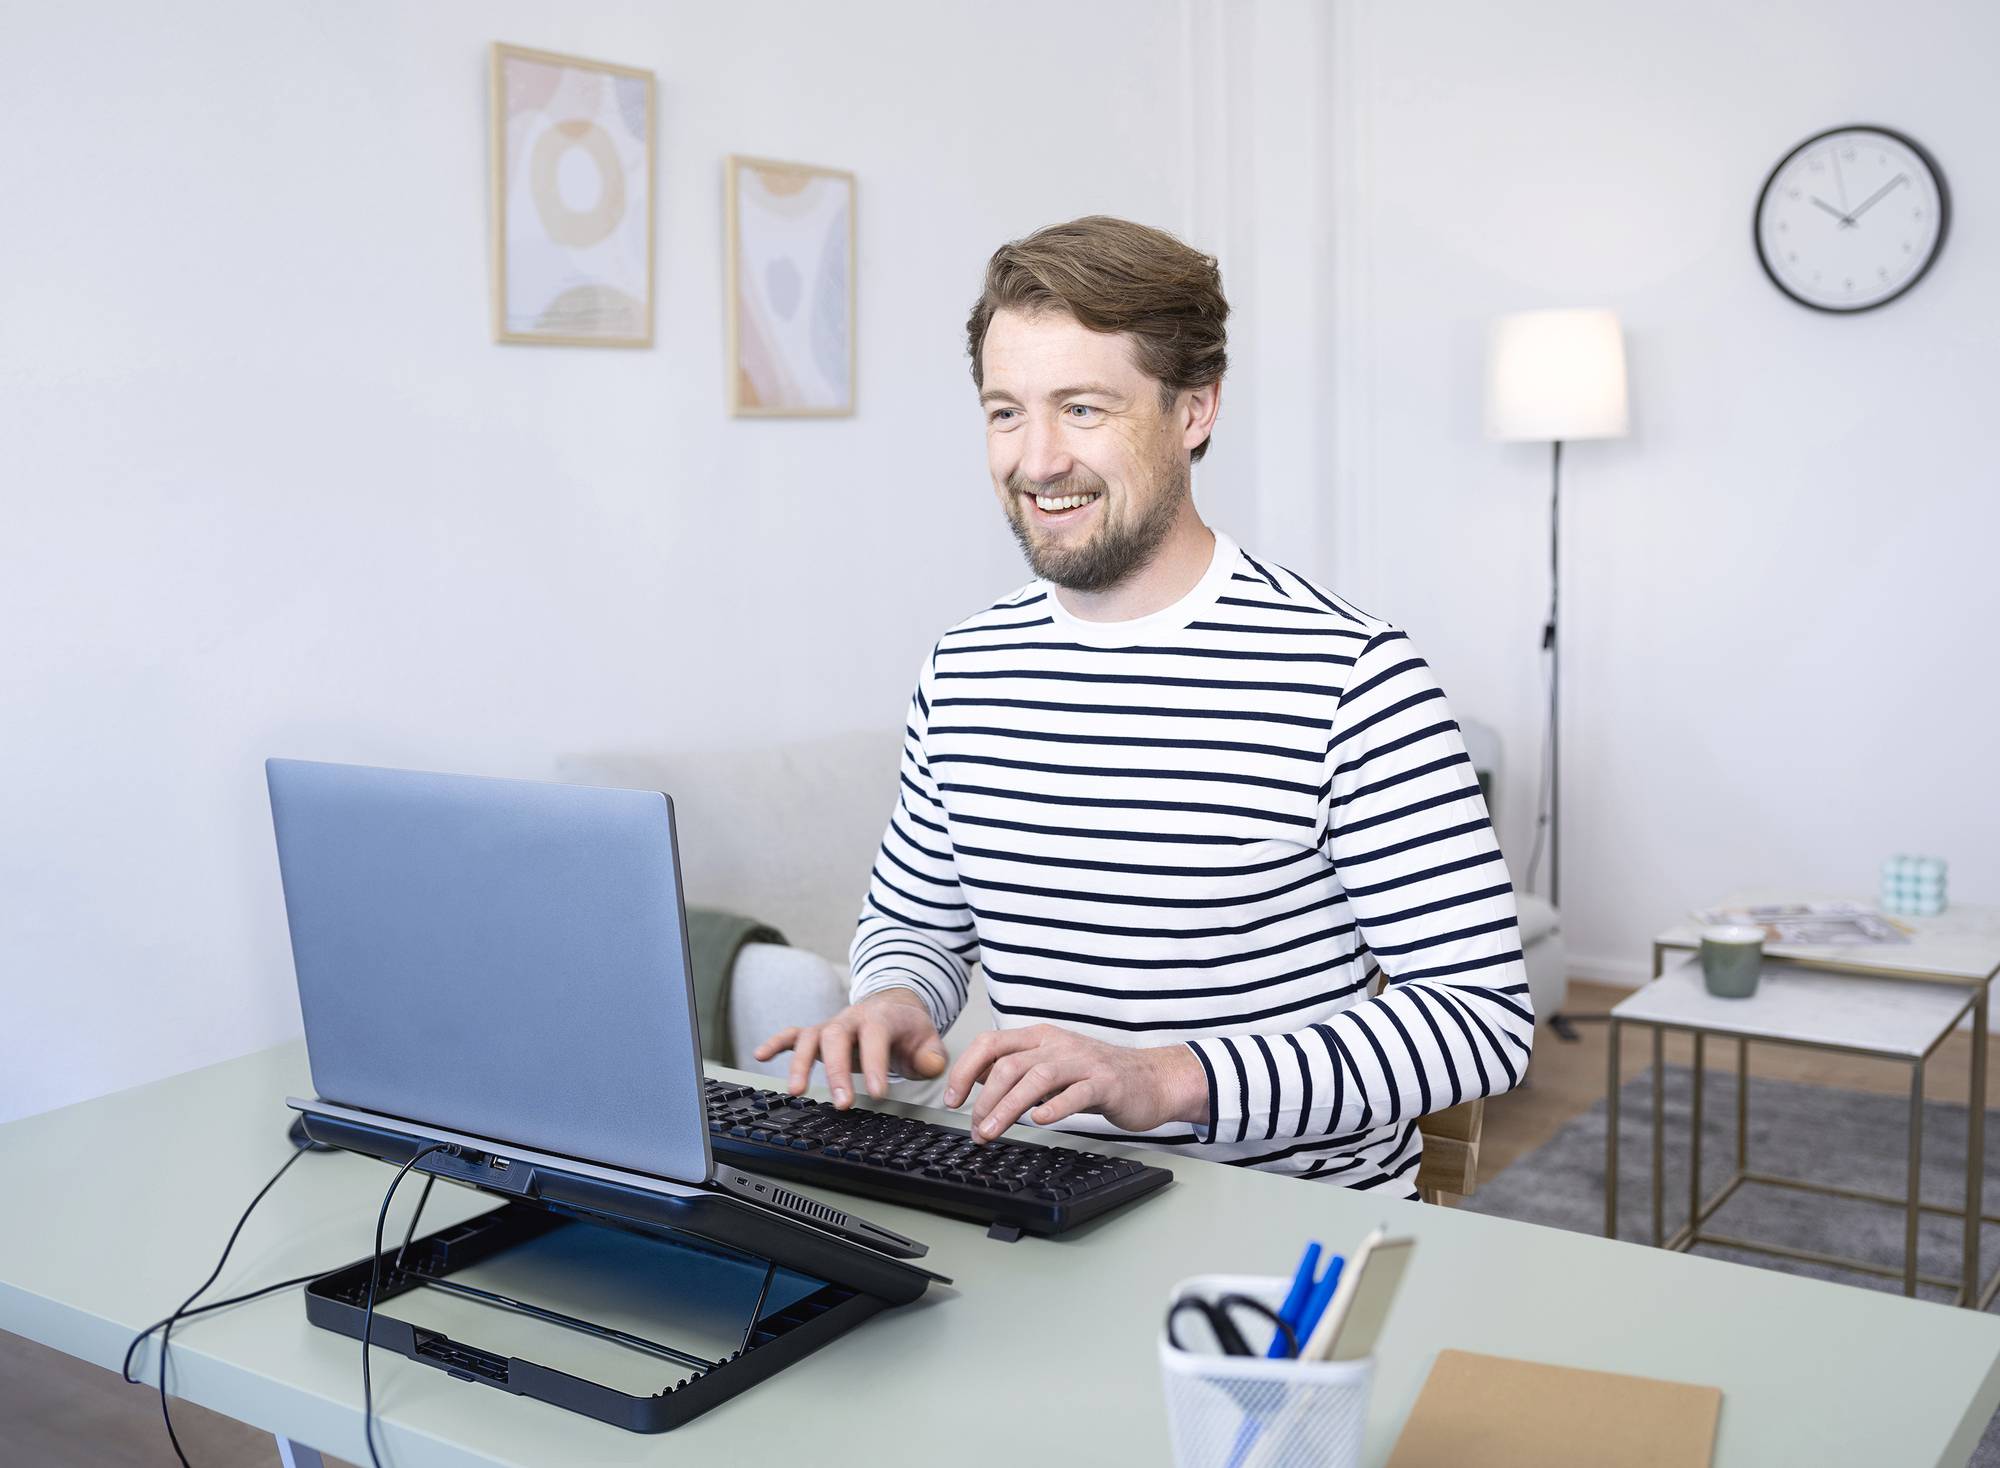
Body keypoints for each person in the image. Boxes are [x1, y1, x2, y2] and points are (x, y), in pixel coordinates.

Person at [756, 216, 1532, 1195]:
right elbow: (915, 921)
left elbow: (1478, 1021)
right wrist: (895, 997)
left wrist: (1169, 1079)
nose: (1034, 461)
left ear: (1193, 410)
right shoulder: (964, 670)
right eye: (1005, 411)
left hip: (1277, 1230)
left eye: (1081, 409)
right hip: (1026, 1201)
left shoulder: (1350, 678)